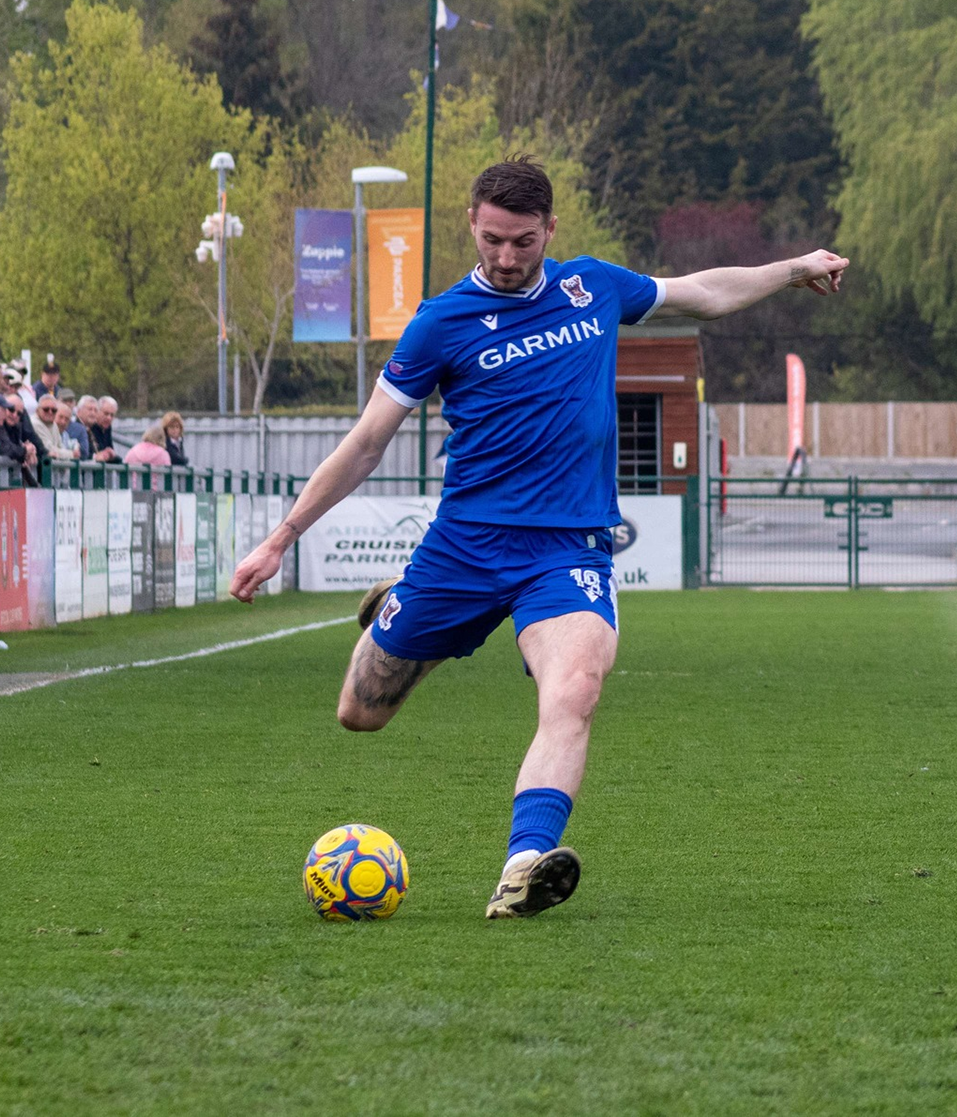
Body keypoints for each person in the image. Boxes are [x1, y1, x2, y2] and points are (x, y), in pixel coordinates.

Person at [230, 155, 848, 920]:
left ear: (550, 229)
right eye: (493, 239)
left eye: (523, 241)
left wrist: (792, 268)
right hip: (463, 549)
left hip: (567, 550)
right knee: (360, 713)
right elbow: (365, 443)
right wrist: (282, 538)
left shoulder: (593, 288)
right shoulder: (438, 324)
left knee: (575, 690)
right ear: (472, 225)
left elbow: (701, 294)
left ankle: (523, 866)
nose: (507, 256)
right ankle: (403, 613)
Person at [32, 394, 78, 462]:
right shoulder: (34, 424)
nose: (50, 412)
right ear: (37, 410)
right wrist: (72, 454)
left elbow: (60, 446)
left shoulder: (53, 424)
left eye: (53, 410)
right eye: (46, 409)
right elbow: (48, 449)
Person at [90, 396, 121, 462]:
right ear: (97, 411)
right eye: (106, 414)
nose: (109, 418)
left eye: (112, 415)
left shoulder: (107, 428)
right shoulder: (89, 427)